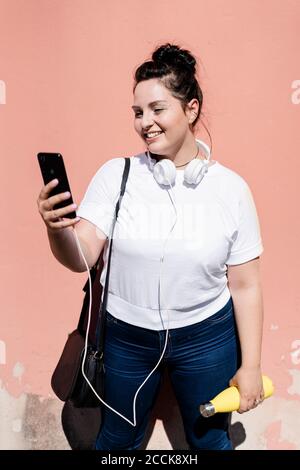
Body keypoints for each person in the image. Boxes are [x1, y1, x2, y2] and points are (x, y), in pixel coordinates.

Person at [37, 43, 265, 450]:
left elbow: (246, 287)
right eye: (138, 113)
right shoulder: (116, 175)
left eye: (157, 109)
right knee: (117, 441)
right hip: (126, 337)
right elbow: (82, 256)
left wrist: (251, 366)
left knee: (210, 442)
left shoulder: (231, 190)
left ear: (191, 109)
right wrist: (57, 229)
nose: (145, 122)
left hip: (206, 337)